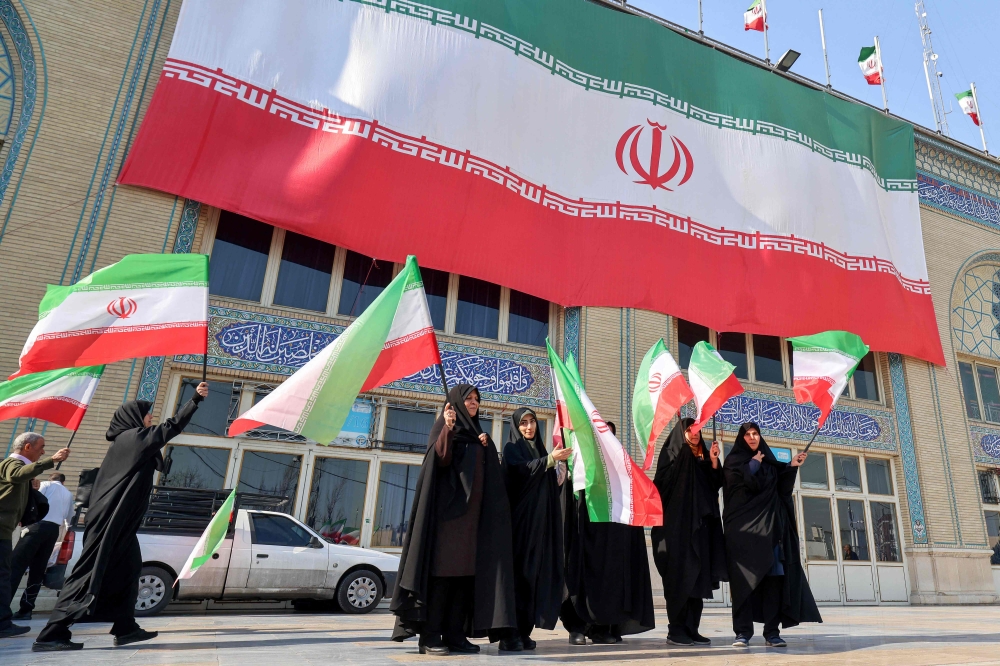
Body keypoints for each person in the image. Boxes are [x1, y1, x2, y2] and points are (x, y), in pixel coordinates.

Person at [33, 383, 208, 652]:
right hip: (109, 521)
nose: (151, 418)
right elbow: (170, 428)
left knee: (130, 569)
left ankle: (125, 628)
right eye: (147, 414)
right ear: (133, 418)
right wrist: (194, 399)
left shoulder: (132, 441)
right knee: (87, 573)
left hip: (122, 523)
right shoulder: (130, 438)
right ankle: (51, 634)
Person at [390, 384, 516, 656]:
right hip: (448, 523)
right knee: (442, 579)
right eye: (468, 399)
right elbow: (441, 459)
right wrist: (448, 427)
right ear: (456, 404)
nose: (473, 403)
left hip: (473, 525)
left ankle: (456, 635)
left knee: (463, 580)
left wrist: (484, 446)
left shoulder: (478, 436)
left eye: (476, 399)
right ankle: (431, 636)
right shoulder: (444, 429)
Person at [723, 422, 821, 648]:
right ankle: (743, 633)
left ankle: (771, 633)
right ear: (741, 438)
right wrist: (751, 467)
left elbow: (781, 490)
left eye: (755, 433)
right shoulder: (734, 462)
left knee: (773, 585)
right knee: (743, 585)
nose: (752, 437)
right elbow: (734, 491)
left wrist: (791, 466)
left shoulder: (769, 463)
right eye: (747, 434)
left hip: (770, 534)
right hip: (743, 536)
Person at [560, 420, 655, 645]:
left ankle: (603, 628)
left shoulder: (621, 472)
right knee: (581, 579)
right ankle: (578, 627)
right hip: (584, 537)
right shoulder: (583, 468)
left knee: (610, 583)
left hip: (610, 542)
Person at [650, 418, 727, 646]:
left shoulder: (703, 457)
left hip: (701, 530)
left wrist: (713, 462)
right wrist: (687, 457)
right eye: (690, 431)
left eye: (699, 431)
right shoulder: (672, 455)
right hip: (677, 532)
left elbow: (714, 486)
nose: (696, 435)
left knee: (698, 580)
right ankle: (676, 630)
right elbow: (662, 485)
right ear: (681, 434)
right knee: (680, 579)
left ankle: (692, 628)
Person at [501, 407, 571, 650]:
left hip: (540, 528)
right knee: (518, 579)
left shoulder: (541, 449)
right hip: (520, 528)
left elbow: (547, 481)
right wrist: (550, 460)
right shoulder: (512, 450)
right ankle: (509, 635)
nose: (529, 427)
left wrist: (558, 469)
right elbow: (523, 471)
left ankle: (524, 631)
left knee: (533, 579)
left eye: (532, 422)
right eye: (524, 423)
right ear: (516, 427)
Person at [0, 433, 70, 639]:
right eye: (41, 447)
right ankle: (3, 623)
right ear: (28, 447)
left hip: (7, 529)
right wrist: (53, 461)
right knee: (4, 576)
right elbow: (15, 475)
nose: (43, 452)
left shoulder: (20, 470)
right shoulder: (12, 463)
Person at [12, 472, 76, 620]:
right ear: (63, 482)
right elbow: (69, 519)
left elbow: (33, 501)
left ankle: (3, 609)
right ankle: (26, 610)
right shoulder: (68, 494)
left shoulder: (46, 485)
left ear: (50, 479)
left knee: (16, 566)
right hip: (52, 532)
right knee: (38, 570)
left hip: (37, 527)